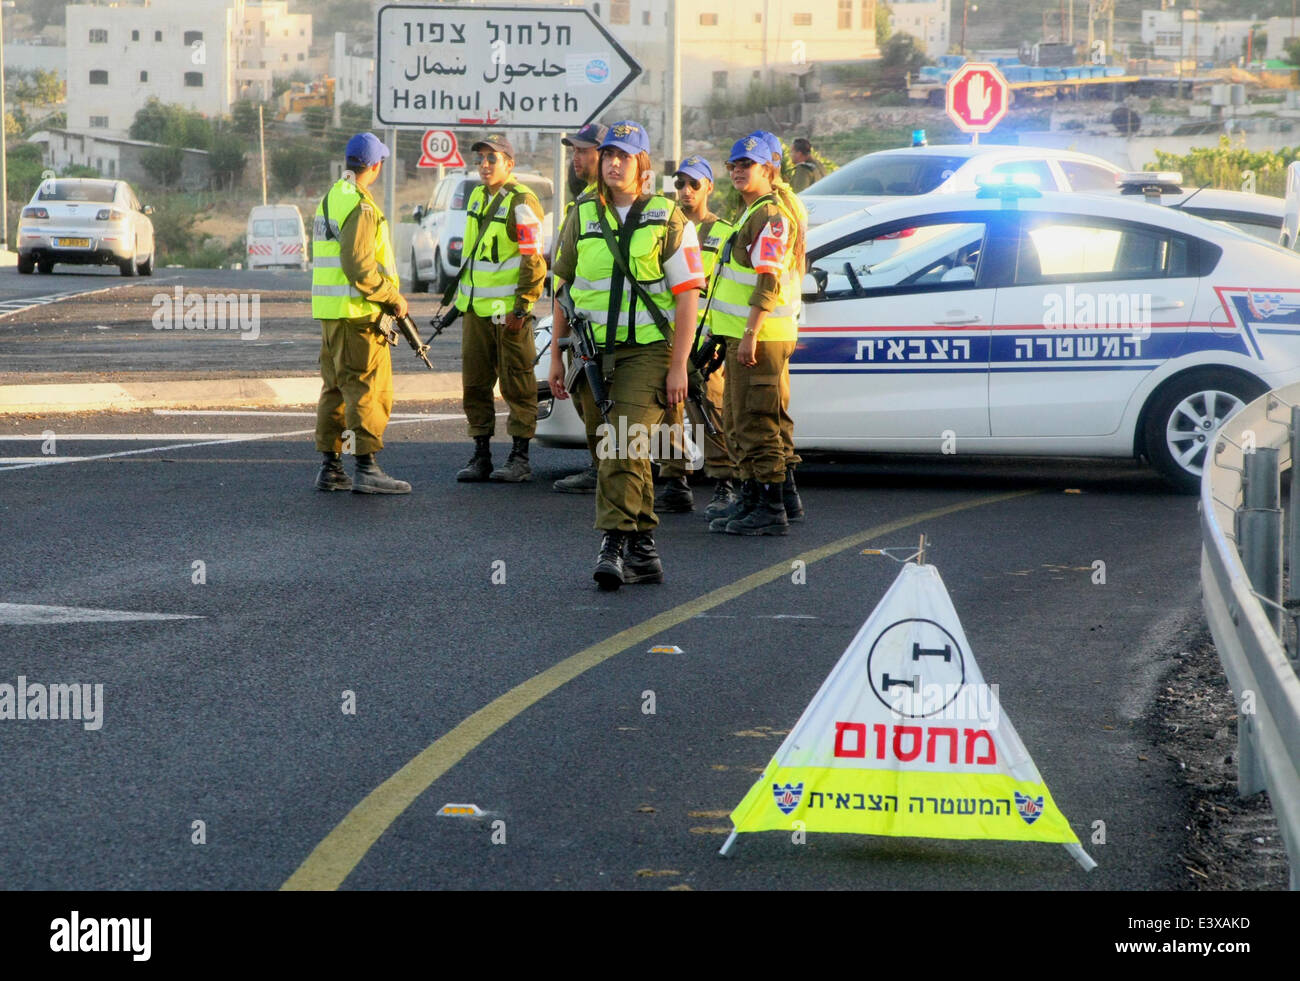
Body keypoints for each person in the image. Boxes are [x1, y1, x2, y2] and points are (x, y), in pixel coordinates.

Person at [548, 121, 705, 589]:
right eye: (609, 154)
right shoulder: (582, 215)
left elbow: (688, 295)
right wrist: (558, 356)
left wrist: (679, 365)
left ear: (642, 164)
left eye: (625, 155)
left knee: (623, 441)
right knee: (617, 448)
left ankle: (614, 544)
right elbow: (564, 287)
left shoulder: (667, 216)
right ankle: (644, 550)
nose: (614, 163)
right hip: (592, 354)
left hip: (649, 353)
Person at [706, 133, 804, 535]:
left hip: (760, 338)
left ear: (769, 169)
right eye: (734, 165)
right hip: (746, 335)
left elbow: (768, 280)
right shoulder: (755, 210)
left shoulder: (771, 214)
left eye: (748, 164)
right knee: (739, 418)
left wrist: (749, 333)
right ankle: (755, 497)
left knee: (757, 422)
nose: (739, 171)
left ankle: (770, 507)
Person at [311, 132, 411, 495]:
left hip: (332, 313)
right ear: (376, 166)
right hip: (358, 316)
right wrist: (392, 296)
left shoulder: (333, 196)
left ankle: (331, 467)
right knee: (365, 392)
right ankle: (365, 467)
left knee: (335, 390)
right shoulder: (361, 206)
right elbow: (358, 266)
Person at [454, 135, 548, 483]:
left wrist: (522, 307)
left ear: (510, 163)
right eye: (481, 158)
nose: (485, 165)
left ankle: (519, 457)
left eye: (493, 158)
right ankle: (481, 454)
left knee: (517, 383)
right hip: (476, 310)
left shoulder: (522, 201)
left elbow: (533, 260)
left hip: (508, 314)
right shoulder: (477, 195)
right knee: (475, 384)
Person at [653, 154, 741, 521]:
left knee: (708, 410)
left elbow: (733, 288)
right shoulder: (663, 227)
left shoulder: (724, 232)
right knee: (663, 410)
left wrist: (720, 338)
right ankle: (674, 481)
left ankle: (724, 481)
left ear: (709, 187)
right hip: (664, 336)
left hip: (706, 341)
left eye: (693, 184)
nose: (685, 191)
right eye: (679, 184)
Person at [552, 122, 608, 494]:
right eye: (574, 150)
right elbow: (564, 282)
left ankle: (613, 473)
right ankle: (601, 466)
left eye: (584, 150)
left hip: (613, 329)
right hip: (581, 322)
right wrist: (559, 343)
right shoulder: (582, 204)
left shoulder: (607, 204)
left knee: (603, 402)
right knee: (585, 396)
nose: (577, 157)